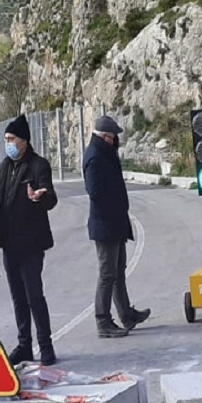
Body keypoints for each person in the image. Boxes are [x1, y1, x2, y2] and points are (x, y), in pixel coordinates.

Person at [0, 114, 60, 366]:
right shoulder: (4, 166)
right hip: (9, 244)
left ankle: (46, 346)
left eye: (11, 139)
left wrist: (39, 197)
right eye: (5, 139)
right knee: (18, 297)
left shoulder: (38, 165)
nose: (8, 143)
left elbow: (50, 198)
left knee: (34, 295)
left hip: (31, 243)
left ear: (23, 141)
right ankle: (24, 346)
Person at [82, 115, 151, 338]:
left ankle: (126, 315)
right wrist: (113, 209)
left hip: (115, 223)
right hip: (105, 225)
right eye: (113, 137)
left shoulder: (104, 153)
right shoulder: (95, 157)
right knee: (107, 274)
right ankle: (103, 321)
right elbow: (95, 192)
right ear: (105, 136)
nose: (116, 141)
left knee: (118, 272)